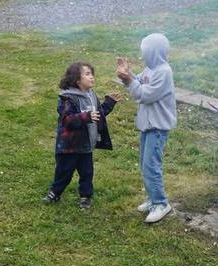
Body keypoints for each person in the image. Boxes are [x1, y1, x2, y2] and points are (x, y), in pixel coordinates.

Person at [117, 33, 176, 224]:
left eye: (146, 53)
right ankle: (152, 198)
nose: (143, 56)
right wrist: (129, 73)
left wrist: (128, 81)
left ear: (155, 52)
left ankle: (161, 203)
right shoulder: (150, 69)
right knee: (145, 163)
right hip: (147, 125)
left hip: (157, 127)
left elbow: (144, 94)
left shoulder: (164, 72)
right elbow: (140, 81)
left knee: (151, 165)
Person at [43, 62, 116, 209]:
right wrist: (86, 117)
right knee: (64, 172)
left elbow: (98, 115)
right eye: (87, 74)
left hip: (86, 145)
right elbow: (67, 120)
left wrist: (109, 103)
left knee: (87, 173)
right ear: (77, 79)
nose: (92, 77)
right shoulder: (67, 98)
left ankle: (85, 196)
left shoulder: (91, 96)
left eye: (92, 73)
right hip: (69, 146)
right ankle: (55, 192)